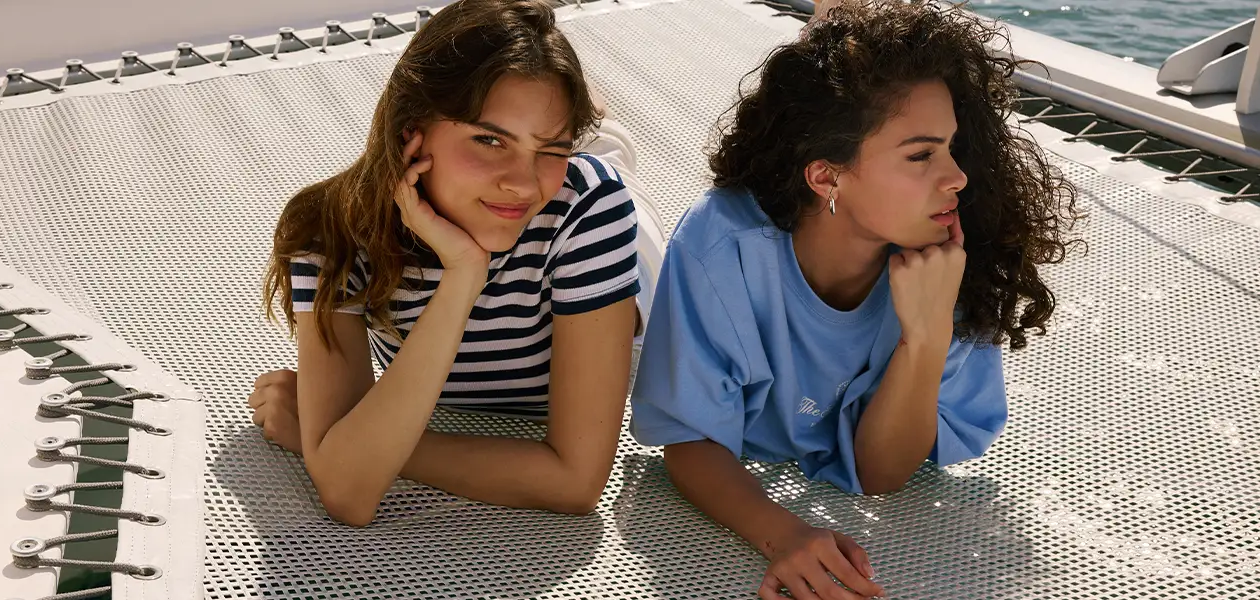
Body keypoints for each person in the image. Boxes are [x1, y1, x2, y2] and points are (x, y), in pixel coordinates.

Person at [627, 1, 1081, 599]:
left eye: (950, 147)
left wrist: (924, 337)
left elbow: (879, 475)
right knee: (631, 227)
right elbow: (688, 438)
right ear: (826, 177)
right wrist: (781, 533)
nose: (958, 177)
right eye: (920, 155)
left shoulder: (951, 260)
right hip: (650, 263)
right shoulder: (724, 245)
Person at [249, 0, 666, 528]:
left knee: (606, 152)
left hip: (618, 240)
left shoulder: (588, 207)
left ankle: (581, 128)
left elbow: (576, 482)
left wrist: (334, 439)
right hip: (528, 206)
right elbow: (348, 494)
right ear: (411, 132)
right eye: (488, 140)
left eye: (549, 148)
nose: (519, 179)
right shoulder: (328, 233)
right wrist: (464, 273)